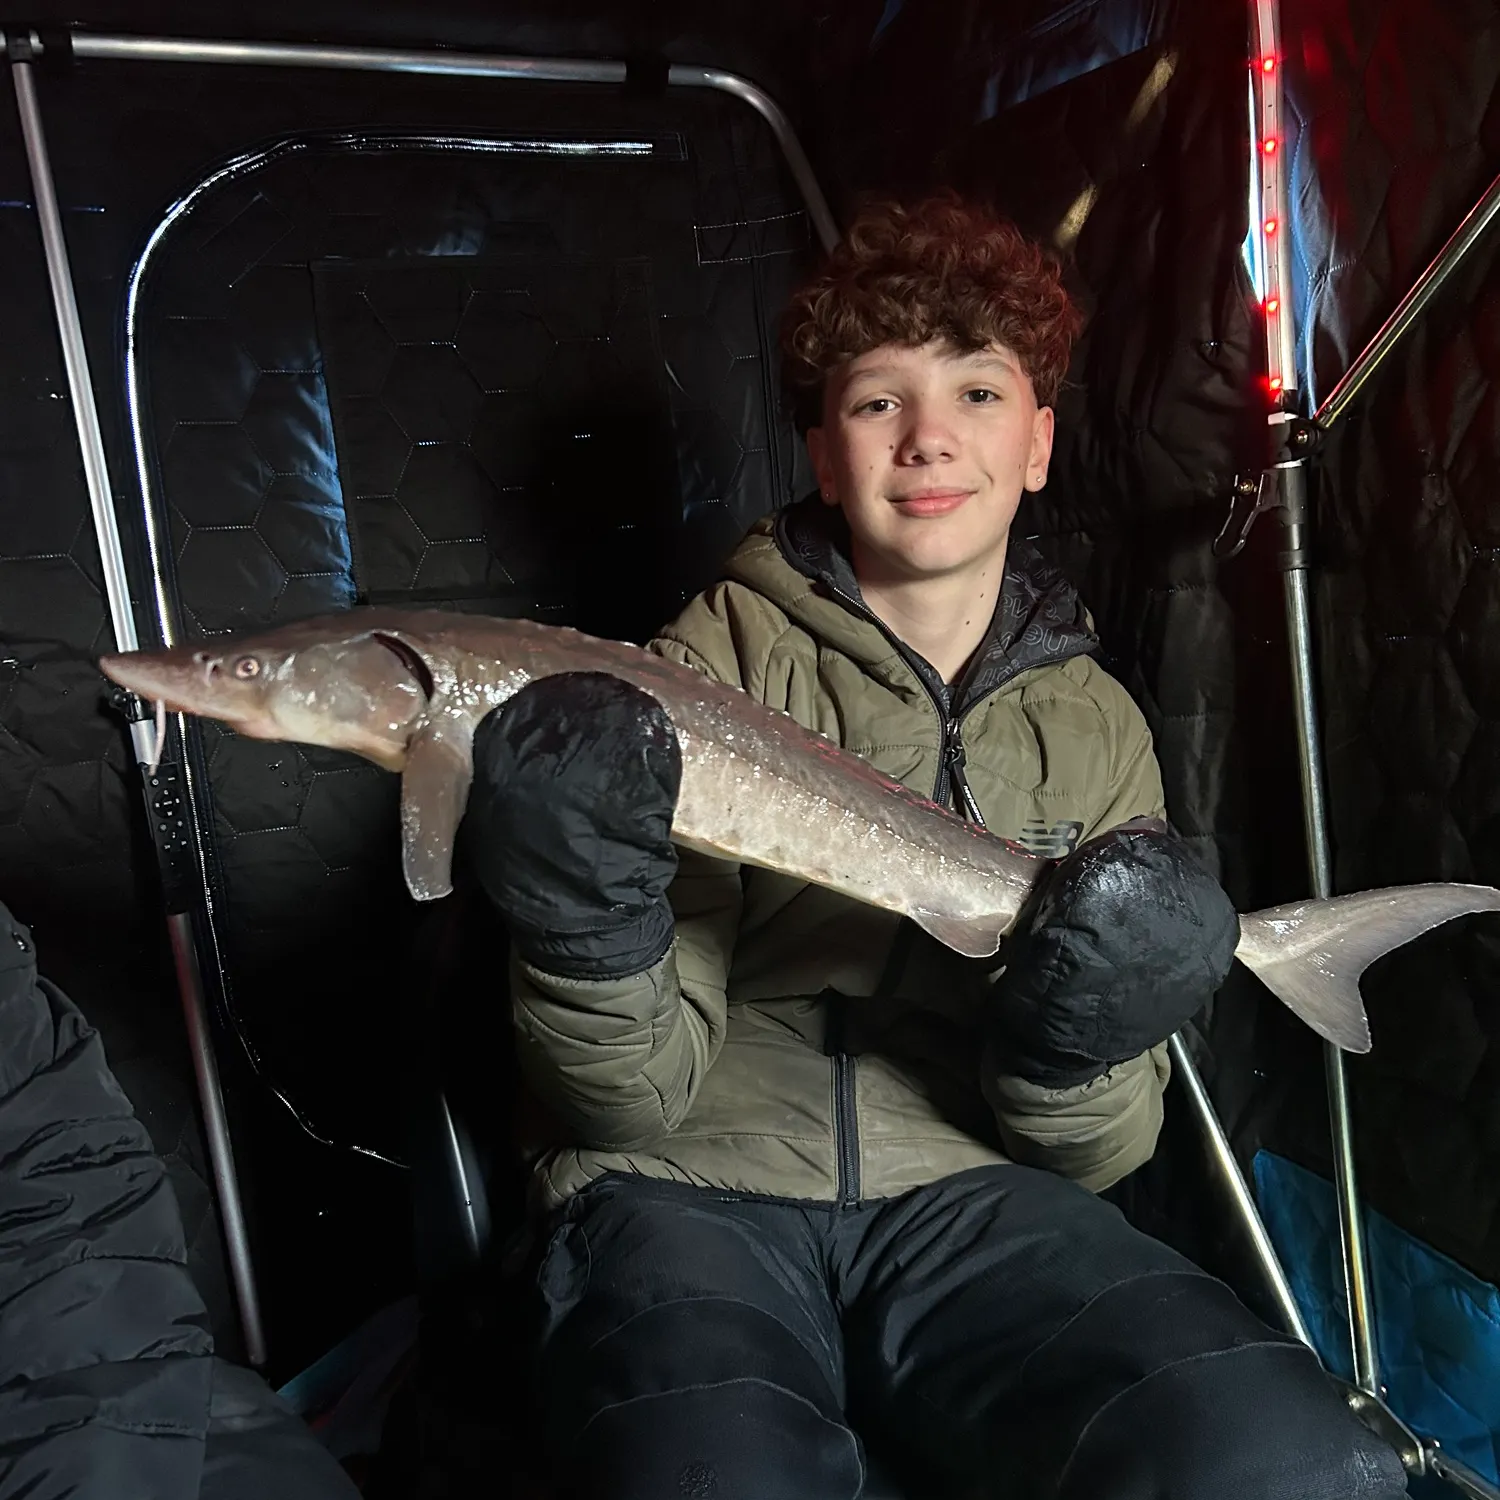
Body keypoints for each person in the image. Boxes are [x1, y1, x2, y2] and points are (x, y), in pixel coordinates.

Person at [465, 195, 1408, 1498]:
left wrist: (1075, 1036)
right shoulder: (689, 676)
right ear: (821, 451)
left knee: (1288, 1456)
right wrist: (584, 922)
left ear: (1040, 442)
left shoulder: (1098, 726)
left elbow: (1095, 1158)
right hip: (686, 1178)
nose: (928, 438)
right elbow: (625, 1101)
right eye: (876, 401)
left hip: (974, 1186)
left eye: (977, 391)